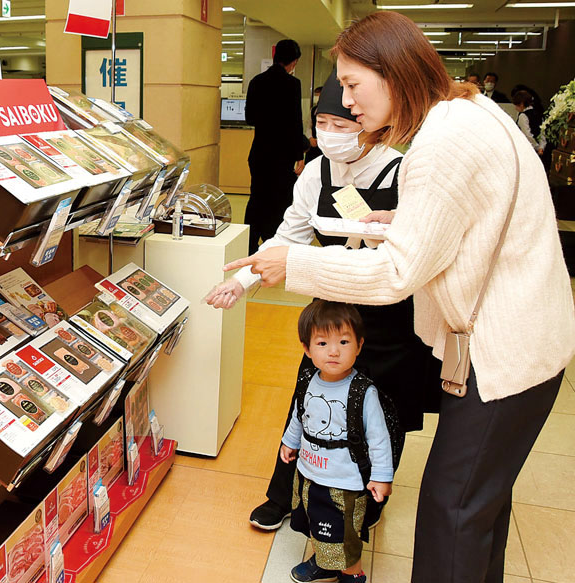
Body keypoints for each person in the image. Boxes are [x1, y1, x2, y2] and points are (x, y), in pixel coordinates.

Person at [223, 12, 575, 583]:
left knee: (450, 512)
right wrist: (406, 220)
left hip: (503, 354)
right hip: (530, 341)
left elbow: (396, 274)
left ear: (394, 73)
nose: (349, 104)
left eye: (355, 87)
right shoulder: (470, 110)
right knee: (477, 507)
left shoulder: (441, 141)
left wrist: (296, 263)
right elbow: (468, 218)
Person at [206, 70, 439, 532]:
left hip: (389, 316)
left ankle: (370, 498)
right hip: (331, 312)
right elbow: (287, 236)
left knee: (382, 412)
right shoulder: (316, 171)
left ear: (372, 125)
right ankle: (284, 494)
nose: (330, 135)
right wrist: (243, 283)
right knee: (309, 402)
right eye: (323, 123)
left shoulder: (403, 169)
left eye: (343, 124)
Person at [282, 299, 394, 583]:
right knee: (318, 525)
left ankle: (351, 575)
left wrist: (381, 477)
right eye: (322, 344)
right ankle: (325, 562)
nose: (333, 351)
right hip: (309, 475)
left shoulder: (362, 392)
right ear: (307, 348)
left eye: (343, 342)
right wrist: (290, 442)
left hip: (344, 483)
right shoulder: (307, 381)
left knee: (345, 536)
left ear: (359, 345)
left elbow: (379, 439)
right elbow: (300, 414)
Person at [244, 39, 305, 254]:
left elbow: (249, 118)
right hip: (282, 155)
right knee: (280, 200)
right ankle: (272, 243)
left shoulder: (256, 81)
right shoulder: (292, 85)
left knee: (258, 196)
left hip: (259, 153)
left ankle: (250, 244)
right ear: (294, 61)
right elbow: (295, 123)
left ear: (274, 56)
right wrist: (300, 154)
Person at [513, 90, 546, 155]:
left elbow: (527, 134)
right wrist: (541, 147)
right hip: (539, 148)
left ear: (522, 104)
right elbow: (543, 132)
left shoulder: (523, 116)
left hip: (527, 149)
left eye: (517, 105)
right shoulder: (539, 114)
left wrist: (536, 147)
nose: (515, 108)